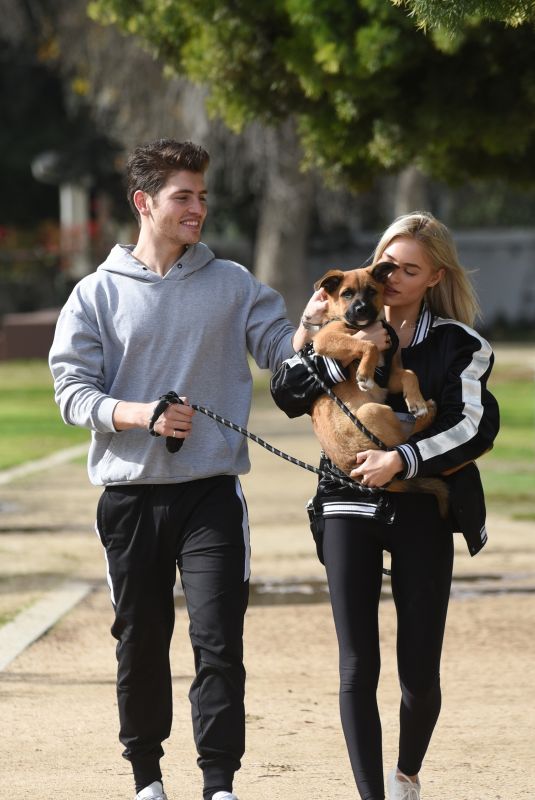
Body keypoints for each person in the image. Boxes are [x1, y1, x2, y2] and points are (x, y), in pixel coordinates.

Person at [49, 138, 322, 800]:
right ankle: (146, 778)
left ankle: (219, 783)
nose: (197, 208)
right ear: (144, 203)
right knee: (140, 641)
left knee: (218, 638)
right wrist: (138, 414)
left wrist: (315, 329)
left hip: (210, 495)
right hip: (129, 497)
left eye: (203, 196)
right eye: (183, 197)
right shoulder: (95, 295)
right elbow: (71, 392)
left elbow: (282, 355)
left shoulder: (231, 284)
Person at [270, 211, 499, 800]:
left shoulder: (459, 344)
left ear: (434, 277)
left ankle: (406, 775)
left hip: (420, 506)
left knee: (418, 672)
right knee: (356, 665)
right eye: (387, 264)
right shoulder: (335, 316)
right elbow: (285, 392)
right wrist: (330, 341)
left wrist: (402, 460)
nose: (392, 277)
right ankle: (372, 795)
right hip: (346, 502)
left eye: (408, 270)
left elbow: (471, 425)